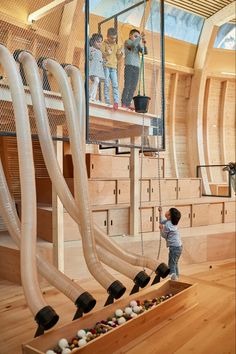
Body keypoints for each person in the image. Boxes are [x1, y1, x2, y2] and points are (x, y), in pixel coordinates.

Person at [121, 29, 148, 110]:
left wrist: (144, 43)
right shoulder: (127, 42)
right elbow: (132, 46)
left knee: (133, 87)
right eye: (135, 36)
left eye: (138, 36)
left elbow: (145, 52)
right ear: (130, 35)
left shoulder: (138, 44)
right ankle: (124, 103)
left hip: (136, 68)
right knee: (127, 86)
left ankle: (128, 103)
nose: (137, 38)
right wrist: (140, 38)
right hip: (129, 67)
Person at [101, 27, 123, 110]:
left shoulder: (116, 46)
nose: (114, 40)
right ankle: (107, 101)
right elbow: (102, 55)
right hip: (106, 66)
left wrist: (121, 52)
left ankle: (116, 102)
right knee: (106, 83)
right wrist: (107, 53)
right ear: (107, 36)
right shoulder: (103, 44)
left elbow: (118, 58)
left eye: (115, 38)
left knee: (115, 85)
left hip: (113, 67)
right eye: (112, 38)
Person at [158, 207, 182, 281]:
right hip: (179, 247)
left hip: (174, 248)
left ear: (169, 216)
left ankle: (173, 282)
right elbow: (161, 221)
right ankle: (177, 279)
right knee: (175, 264)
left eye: (168, 211)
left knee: (171, 265)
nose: (167, 211)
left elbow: (164, 235)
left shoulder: (168, 224)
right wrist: (160, 212)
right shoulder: (169, 221)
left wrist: (161, 229)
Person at [89, 33, 105, 102]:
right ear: (93, 41)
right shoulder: (91, 49)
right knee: (96, 81)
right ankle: (90, 96)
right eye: (98, 42)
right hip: (93, 69)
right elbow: (89, 57)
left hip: (98, 70)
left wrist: (104, 62)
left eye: (101, 42)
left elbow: (100, 61)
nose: (100, 43)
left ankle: (93, 97)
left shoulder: (99, 52)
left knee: (96, 82)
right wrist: (91, 54)